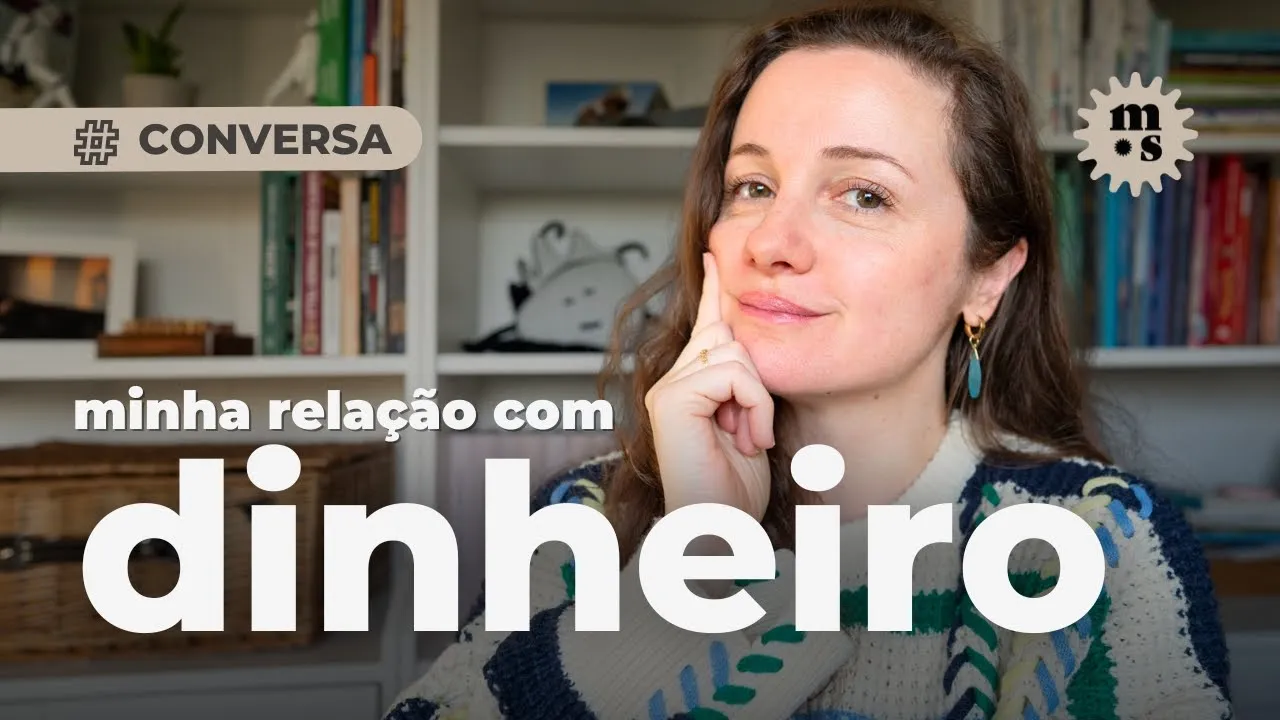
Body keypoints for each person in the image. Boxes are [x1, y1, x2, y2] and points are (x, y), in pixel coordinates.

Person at [386, 0, 1233, 718]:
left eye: (864, 195)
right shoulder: (581, 519)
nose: (773, 242)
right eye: (753, 187)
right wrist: (689, 574)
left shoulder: (1100, 543)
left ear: (988, 277)